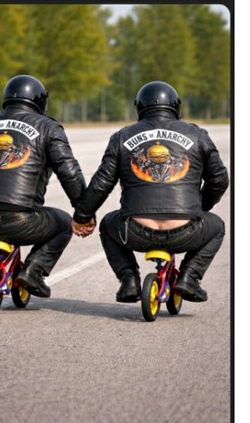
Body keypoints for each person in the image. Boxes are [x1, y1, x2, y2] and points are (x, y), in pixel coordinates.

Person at [72, 81, 229, 303]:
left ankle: (129, 281)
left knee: (108, 224)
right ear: (176, 108)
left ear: (140, 108)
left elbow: (102, 183)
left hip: (135, 232)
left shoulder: (121, 137)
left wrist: (82, 216)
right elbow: (219, 180)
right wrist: (200, 208)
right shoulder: (198, 135)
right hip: (186, 232)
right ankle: (190, 278)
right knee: (217, 226)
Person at [0, 75, 87, 298]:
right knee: (64, 223)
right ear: (40, 102)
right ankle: (33, 272)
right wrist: (84, 213)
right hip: (21, 222)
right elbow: (69, 174)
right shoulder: (49, 127)